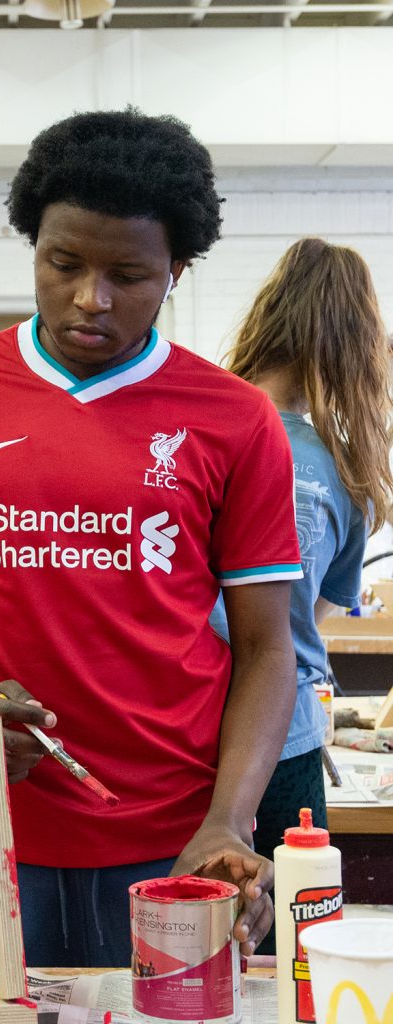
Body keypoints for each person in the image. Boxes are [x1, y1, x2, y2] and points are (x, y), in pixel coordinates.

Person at [0, 108, 302, 968]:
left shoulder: (234, 418)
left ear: (176, 272)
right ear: (33, 244)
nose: (89, 299)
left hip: (172, 834)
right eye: (62, 263)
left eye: (129, 275)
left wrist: (230, 816)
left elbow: (267, 647)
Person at [214, 237, 393, 954]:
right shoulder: (340, 469)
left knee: (185, 934)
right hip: (281, 737)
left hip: (180, 722)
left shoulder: (198, 428)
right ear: (355, 342)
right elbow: (312, 616)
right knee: (297, 947)